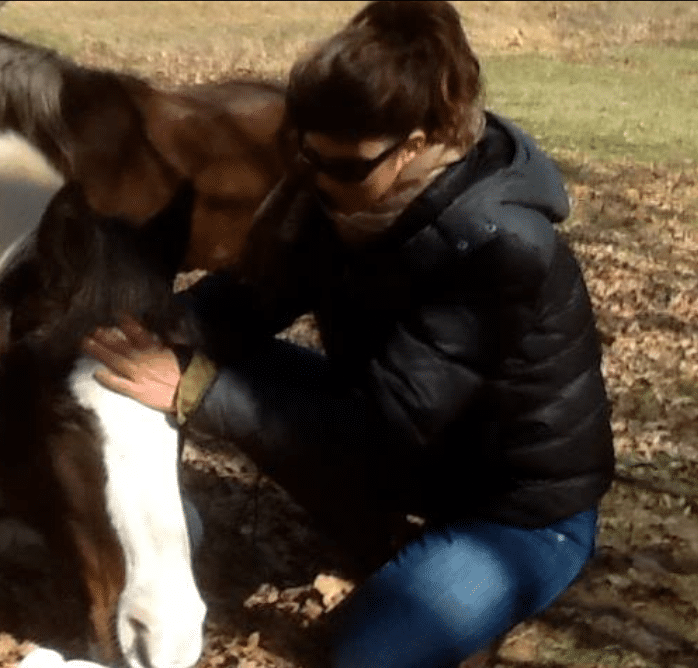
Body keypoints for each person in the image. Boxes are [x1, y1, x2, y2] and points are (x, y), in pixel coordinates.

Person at [82, 2, 616, 667]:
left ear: (417, 144)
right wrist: (142, 332)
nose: (318, 178)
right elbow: (247, 301)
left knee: (363, 655)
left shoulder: (500, 249)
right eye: (306, 153)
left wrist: (195, 391)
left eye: (344, 166)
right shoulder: (335, 188)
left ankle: (456, 590)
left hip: (520, 513)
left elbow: (377, 434)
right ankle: (397, 551)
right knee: (212, 372)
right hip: (413, 449)